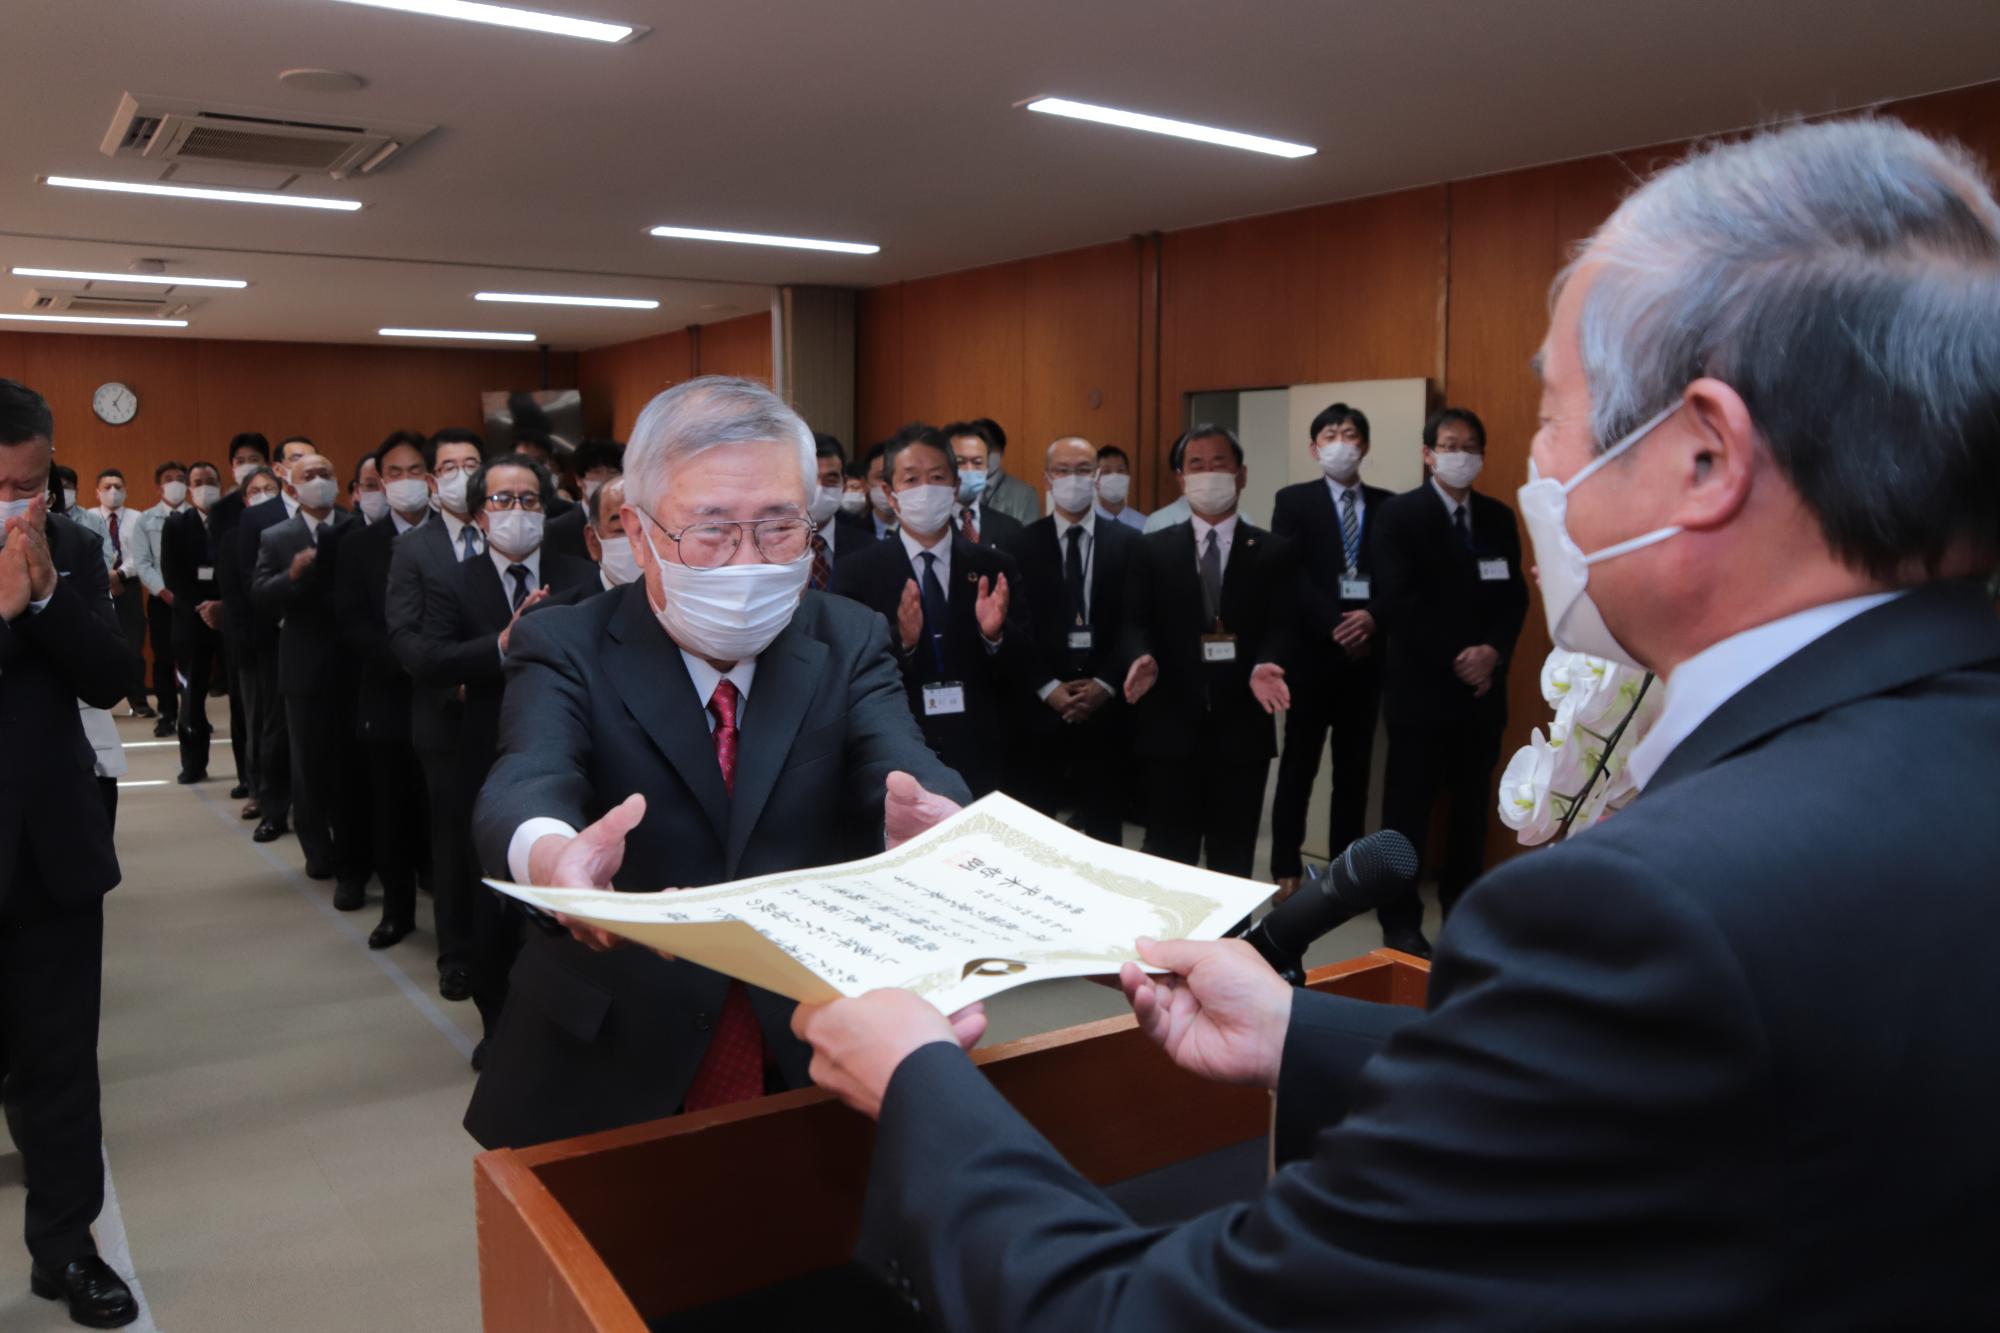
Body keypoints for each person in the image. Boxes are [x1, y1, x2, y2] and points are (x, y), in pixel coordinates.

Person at [796, 116, 2000, 1332]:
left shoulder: (1641, 908)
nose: (1534, 472)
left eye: (1557, 418)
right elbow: (1704, 1095)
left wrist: (918, 1086)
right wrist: (1301, 1035)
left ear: (1702, 456)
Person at [464, 375, 971, 1149]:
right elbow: (527, 775)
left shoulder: (848, 635)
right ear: (636, 534)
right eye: (711, 530)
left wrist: (937, 819)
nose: (748, 562)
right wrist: (552, 856)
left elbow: (901, 760)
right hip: (610, 1052)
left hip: (814, 1043)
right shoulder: (565, 642)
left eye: (778, 527)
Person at [0, 378, 144, 1329]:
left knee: (59, 1064)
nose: (22, 503)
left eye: (32, 483)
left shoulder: (76, 548)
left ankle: (67, 1247)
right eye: (6, 485)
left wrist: (47, 599)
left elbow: (113, 675)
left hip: (46, 849)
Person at [407, 453, 596, 1045]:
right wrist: (501, 644)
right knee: (487, 895)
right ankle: (496, 1024)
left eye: (529, 500)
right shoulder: (452, 580)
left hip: (569, 753)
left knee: (556, 898)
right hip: (481, 750)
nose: (517, 511)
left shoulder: (577, 577)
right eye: (502, 500)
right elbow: (431, 659)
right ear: (480, 515)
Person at [1369, 407, 1528, 955]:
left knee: (1470, 814)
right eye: (1449, 445)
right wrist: (1459, 659)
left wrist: (1492, 654)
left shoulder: (1499, 517)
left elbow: (1514, 599)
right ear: (1428, 453)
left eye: (1470, 446)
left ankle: (1462, 913)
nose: (1461, 455)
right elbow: (1397, 600)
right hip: (1420, 691)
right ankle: (1400, 920)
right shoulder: (1398, 516)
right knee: (1406, 814)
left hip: (1482, 697)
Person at [1120, 425, 1296, 877]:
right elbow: (1133, 620)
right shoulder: (1151, 550)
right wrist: (1141, 656)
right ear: (1181, 480)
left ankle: (1232, 945)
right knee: (1168, 857)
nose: (1208, 473)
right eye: (1196, 465)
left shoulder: (1272, 551)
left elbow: (1284, 622)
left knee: (1232, 860)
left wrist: (1268, 662)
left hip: (1243, 732)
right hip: (1169, 728)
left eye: (1219, 463)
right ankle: (1166, 948)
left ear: (1241, 475)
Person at [831, 423, 1030, 799]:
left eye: (937, 477)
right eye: (912, 479)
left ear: (955, 487)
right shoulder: (857, 571)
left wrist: (995, 636)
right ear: (890, 494)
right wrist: (901, 640)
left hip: (980, 748)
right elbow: (847, 669)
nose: (926, 488)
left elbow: (1026, 665)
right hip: (896, 748)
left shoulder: (994, 565)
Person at [1268, 403, 1394, 900]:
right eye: (1329, 434)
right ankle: (1285, 866)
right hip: (1310, 657)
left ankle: (1346, 871)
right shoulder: (1293, 501)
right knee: (1299, 766)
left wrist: (1373, 619)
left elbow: (1397, 577)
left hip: (1365, 659)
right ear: (1314, 447)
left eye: (1349, 434)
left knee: (1354, 770)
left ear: (1363, 445)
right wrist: (1334, 623)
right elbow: (1289, 573)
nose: (1340, 442)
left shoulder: (1389, 505)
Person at [387, 427, 489, 1002]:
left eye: (472, 463)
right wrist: (462, 679)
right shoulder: (414, 547)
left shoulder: (512, 534)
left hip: (507, 715)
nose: (462, 475)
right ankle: (458, 956)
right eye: (449, 467)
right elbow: (404, 637)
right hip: (446, 717)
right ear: (432, 481)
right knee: (453, 844)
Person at [1000, 436, 1139, 843]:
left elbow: (1135, 621)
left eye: (1083, 469)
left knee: (1104, 832)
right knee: (1037, 831)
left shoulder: (1130, 544)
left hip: (1107, 706)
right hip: (1041, 706)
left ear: (1096, 477)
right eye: (1063, 470)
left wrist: (1105, 684)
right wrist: (1048, 688)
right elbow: (1014, 625)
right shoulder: (1019, 544)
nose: (1073, 479)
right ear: (1046, 479)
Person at [252, 452, 369, 906]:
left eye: (326, 473)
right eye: (309, 476)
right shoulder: (277, 536)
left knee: (354, 764)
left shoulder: (357, 527)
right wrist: (292, 575)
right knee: (310, 763)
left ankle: (358, 855)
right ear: (292, 487)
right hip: (303, 665)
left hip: (356, 662)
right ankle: (319, 851)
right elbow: (260, 594)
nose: (319, 481)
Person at [336, 433, 433, 950]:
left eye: (415, 470)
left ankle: (451, 909)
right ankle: (397, 912)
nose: (405, 481)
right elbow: (351, 624)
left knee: (443, 812)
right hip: (387, 696)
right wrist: (411, 659)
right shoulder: (359, 545)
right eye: (394, 473)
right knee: (391, 811)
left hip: (447, 696)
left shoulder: (457, 537)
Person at [238, 435, 319, 843]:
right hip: (274, 636)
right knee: (276, 730)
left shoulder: (342, 518)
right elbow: (244, 581)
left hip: (331, 641)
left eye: (312, 459)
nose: (307, 467)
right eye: (296, 459)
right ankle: (273, 808)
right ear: (281, 470)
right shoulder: (259, 517)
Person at [211, 432, 271, 803]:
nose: (248, 464)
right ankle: (252, 782)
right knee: (247, 710)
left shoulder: (286, 508)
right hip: (242, 623)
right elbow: (226, 573)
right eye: (241, 459)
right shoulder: (223, 513)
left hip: (281, 624)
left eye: (255, 457)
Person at [159, 462, 227, 784]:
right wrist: (203, 607)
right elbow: (172, 575)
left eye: (210, 481)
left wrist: (222, 606)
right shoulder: (176, 524)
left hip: (230, 616)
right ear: (189, 489)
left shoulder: (232, 520)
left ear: (221, 484)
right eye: (198, 482)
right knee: (192, 696)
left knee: (240, 696)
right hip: (191, 618)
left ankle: (248, 774)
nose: (204, 487)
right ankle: (193, 763)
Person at [222, 466, 280, 821]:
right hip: (254, 643)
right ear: (245, 499)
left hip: (288, 638)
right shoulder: (234, 537)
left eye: (269, 488)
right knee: (259, 721)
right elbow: (235, 597)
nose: (263, 494)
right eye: (255, 490)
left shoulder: (294, 531)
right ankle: (259, 791)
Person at [89, 468, 153, 719]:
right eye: (106, 487)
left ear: (126, 490)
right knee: (95, 643)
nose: (112, 492)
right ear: (97, 492)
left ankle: (138, 700)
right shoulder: (90, 517)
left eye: (117, 486)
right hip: (96, 586)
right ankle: (97, 701)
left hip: (129, 585)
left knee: (132, 645)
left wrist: (120, 575)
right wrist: (105, 576)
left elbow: (141, 555)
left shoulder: (139, 518)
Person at [131, 459, 188, 736]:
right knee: (164, 657)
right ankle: (168, 713)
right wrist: (164, 592)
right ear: (159, 487)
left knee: (193, 656)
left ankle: (192, 710)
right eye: (169, 478)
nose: (175, 483)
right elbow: (142, 563)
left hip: (194, 599)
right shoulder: (145, 519)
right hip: (161, 599)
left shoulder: (200, 516)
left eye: (180, 478)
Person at [805, 432, 878, 591]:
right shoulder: (771, 546)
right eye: (811, 478)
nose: (820, 488)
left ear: (844, 484)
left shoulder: (869, 548)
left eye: (830, 479)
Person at [942, 421, 1025, 548]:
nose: (969, 469)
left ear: (987, 467)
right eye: (960, 462)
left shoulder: (1011, 528)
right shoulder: (927, 526)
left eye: (977, 462)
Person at [544, 438, 620, 561]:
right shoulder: (555, 530)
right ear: (579, 480)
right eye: (597, 472)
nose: (605, 479)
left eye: (613, 472)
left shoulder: (632, 521)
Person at [965, 417, 1039, 525]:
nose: (982, 455)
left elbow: (1029, 537)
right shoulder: (956, 489)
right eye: (976, 448)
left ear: (1001, 450)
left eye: (989, 447)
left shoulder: (1025, 495)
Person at [582, 474, 636, 590]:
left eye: (649, 529)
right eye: (621, 529)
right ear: (593, 542)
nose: (641, 541)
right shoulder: (570, 607)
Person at [1092, 444, 1147, 531]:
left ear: (1128, 477)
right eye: (1106, 471)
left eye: (1121, 470)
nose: (1115, 476)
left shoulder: (1145, 524)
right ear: (1095, 479)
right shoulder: (1085, 526)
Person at [862, 440, 899, 539]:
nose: (889, 485)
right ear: (865, 484)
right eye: (882, 477)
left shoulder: (923, 533)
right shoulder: (851, 531)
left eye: (895, 476)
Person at [351, 452, 388, 524]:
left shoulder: (411, 531)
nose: (380, 492)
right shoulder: (344, 534)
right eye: (370, 485)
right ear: (357, 491)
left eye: (385, 484)